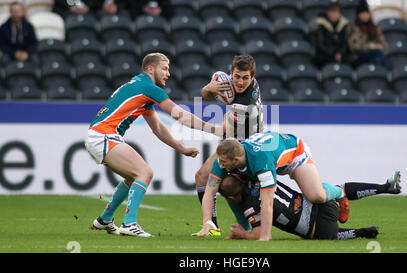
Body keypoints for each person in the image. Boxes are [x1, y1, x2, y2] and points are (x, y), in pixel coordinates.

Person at [86, 52, 223, 237]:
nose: (168, 74)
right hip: (104, 135)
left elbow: (158, 127)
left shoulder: (139, 87)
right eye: (164, 69)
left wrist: (181, 148)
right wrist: (215, 129)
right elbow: (180, 115)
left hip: (99, 135)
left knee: (132, 177)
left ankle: (105, 219)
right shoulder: (148, 88)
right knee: (144, 173)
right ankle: (129, 224)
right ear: (150, 68)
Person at [197, 131, 349, 241]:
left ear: (235, 160)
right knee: (229, 188)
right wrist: (207, 221)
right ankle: (246, 228)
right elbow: (210, 192)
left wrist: (265, 235)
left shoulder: (261, 162)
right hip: (264, 158)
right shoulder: (223, 161)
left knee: (317, 196)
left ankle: (338, 191)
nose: (220, 164)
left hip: (294, 153)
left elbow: (267, 201)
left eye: (223, 162)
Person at [192, 55, 265, 236]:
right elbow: (207, 94)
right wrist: (208, 89)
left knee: (229, 187)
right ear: (231, 73)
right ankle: (212, 227)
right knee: (202, 176)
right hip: (234, 141)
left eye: (245, 78)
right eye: (237, 76)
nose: (240, 82)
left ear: (253, 77)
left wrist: (192, 123)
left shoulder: (246, 103)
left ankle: (245, 226)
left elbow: (222, 129)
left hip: (248, 149)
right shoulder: (235, 84)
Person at [219, 171, 401, 240]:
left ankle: (360, 232)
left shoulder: (249, 205)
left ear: (232, 198)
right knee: (335, 189)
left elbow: (259, 234)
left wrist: (242, 233)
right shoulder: (258, 176)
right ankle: (385, 187)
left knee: (328, 235)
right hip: (322, 204)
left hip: (320, 227)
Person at [347, 0, 391, 70]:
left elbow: (384, 45)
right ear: (358, 14)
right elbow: (354, 46)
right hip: (359, 57)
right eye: (362, 13)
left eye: (366, 13)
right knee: (378, 53)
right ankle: (390, 73)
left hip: (375, 55)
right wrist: (371, 46)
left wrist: (380, 47)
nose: (365, 15)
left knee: (378, 59)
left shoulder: (374, 27)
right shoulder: (354, 27)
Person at [311, 2, 350, 68]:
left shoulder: (343, 25)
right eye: (332, 12)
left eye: (336, 12)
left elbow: (345, 43)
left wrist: (340, 53)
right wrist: (333, 54)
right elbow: (320, 44)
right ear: (328, 13)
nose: (334, 15)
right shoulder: (321, 25)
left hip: (340, 55)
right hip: (325, 56)